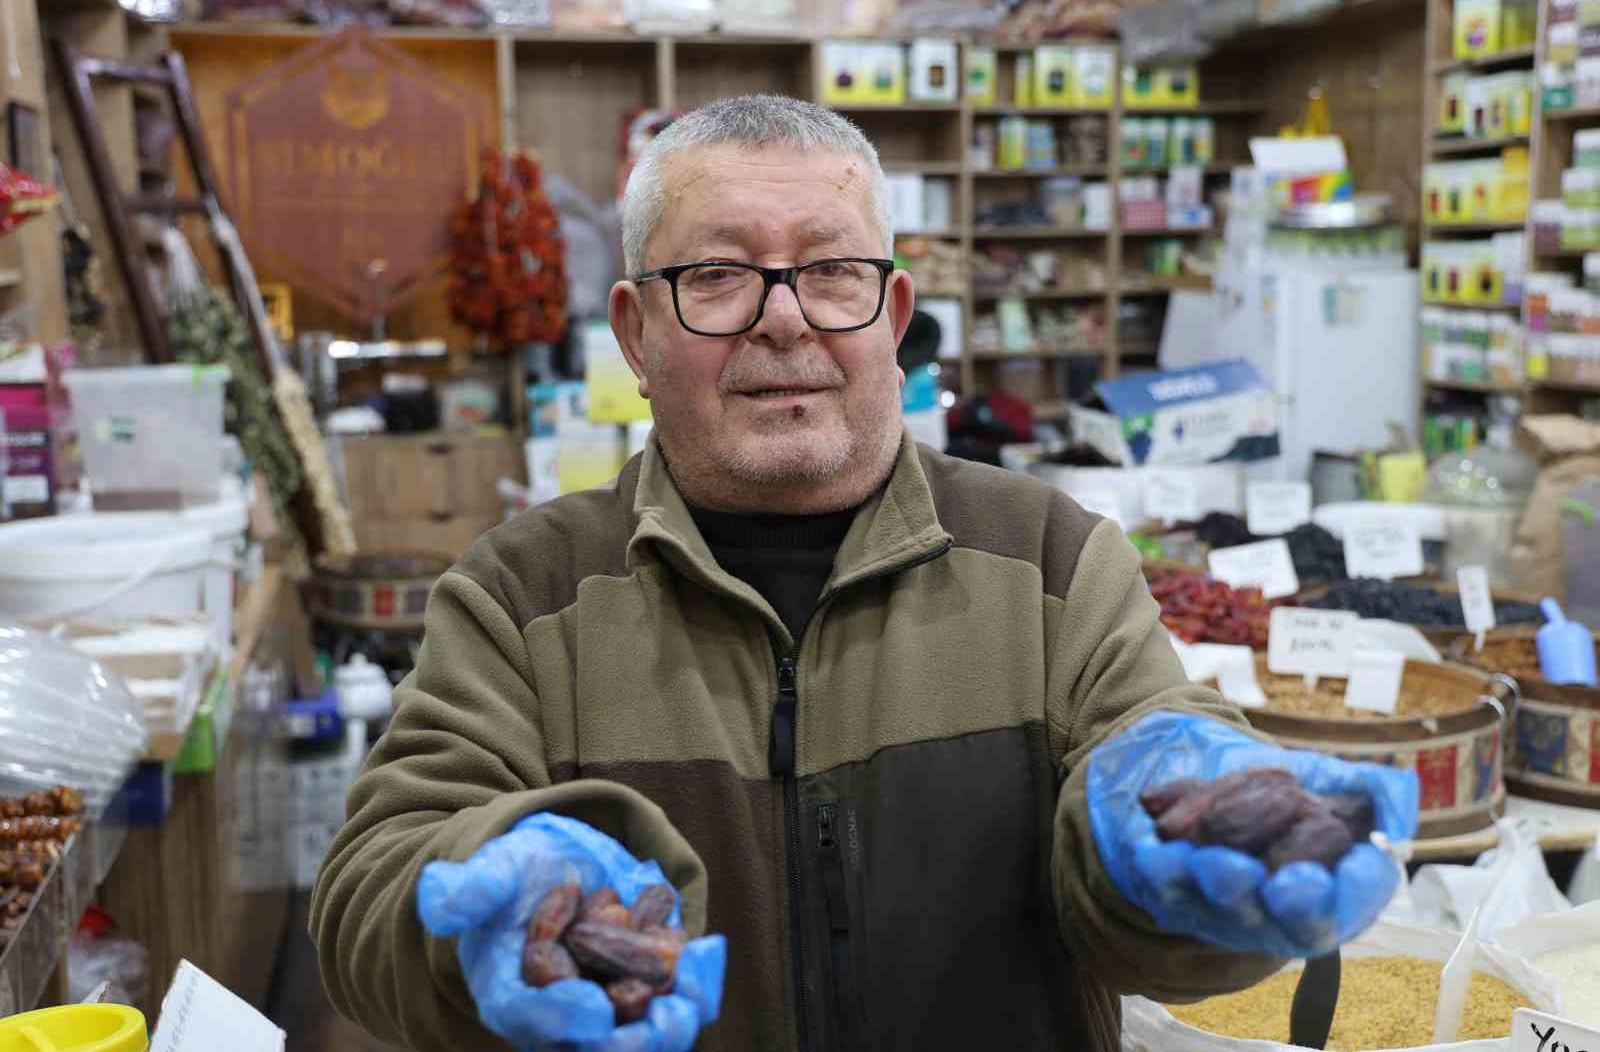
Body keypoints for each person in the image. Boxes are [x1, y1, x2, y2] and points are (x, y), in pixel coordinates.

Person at [311, 94, 1415, 1052]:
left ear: (890, 318)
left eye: (830, 272)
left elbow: (1144, 874)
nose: (784, 318)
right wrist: (473, 910)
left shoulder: (1047, 559)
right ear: (637, 332)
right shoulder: (521, 594)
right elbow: (368, 889)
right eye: (718, 275)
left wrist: (1171, 860)